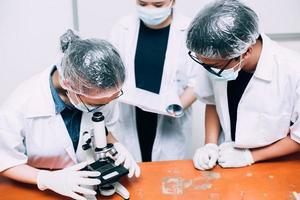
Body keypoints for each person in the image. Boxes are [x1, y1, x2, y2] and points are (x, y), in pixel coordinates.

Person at [0, 29, 140, 200]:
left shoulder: (102, 91)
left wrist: (116, 145)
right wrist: (45, 179)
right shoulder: (19, 105)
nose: (106, 105)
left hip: (88, 180)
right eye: (97, 104)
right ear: (69, 85)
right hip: (38, 191)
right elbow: (5, 161)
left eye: (111, 99)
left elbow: (102, 127)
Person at [186, 0, 300, 170]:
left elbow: (298, 138)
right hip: (230, 162)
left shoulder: (292, 71)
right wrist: (210, 144)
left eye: (215, 66)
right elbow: (212, 102)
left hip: (278, 166)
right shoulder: (215, 58)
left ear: (245, 52)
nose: (209, 70)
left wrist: (250, 156)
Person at [109, 0, 198, 162]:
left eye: (158, 5)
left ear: (172, 1)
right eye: (143, 4)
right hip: (130, 114)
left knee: (166, 178)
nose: (150, 10)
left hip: (169, 118)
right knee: (131, 170)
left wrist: (174, 108)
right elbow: (112, 72)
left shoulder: (189, 31)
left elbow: (197, 81)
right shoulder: (122, 28)